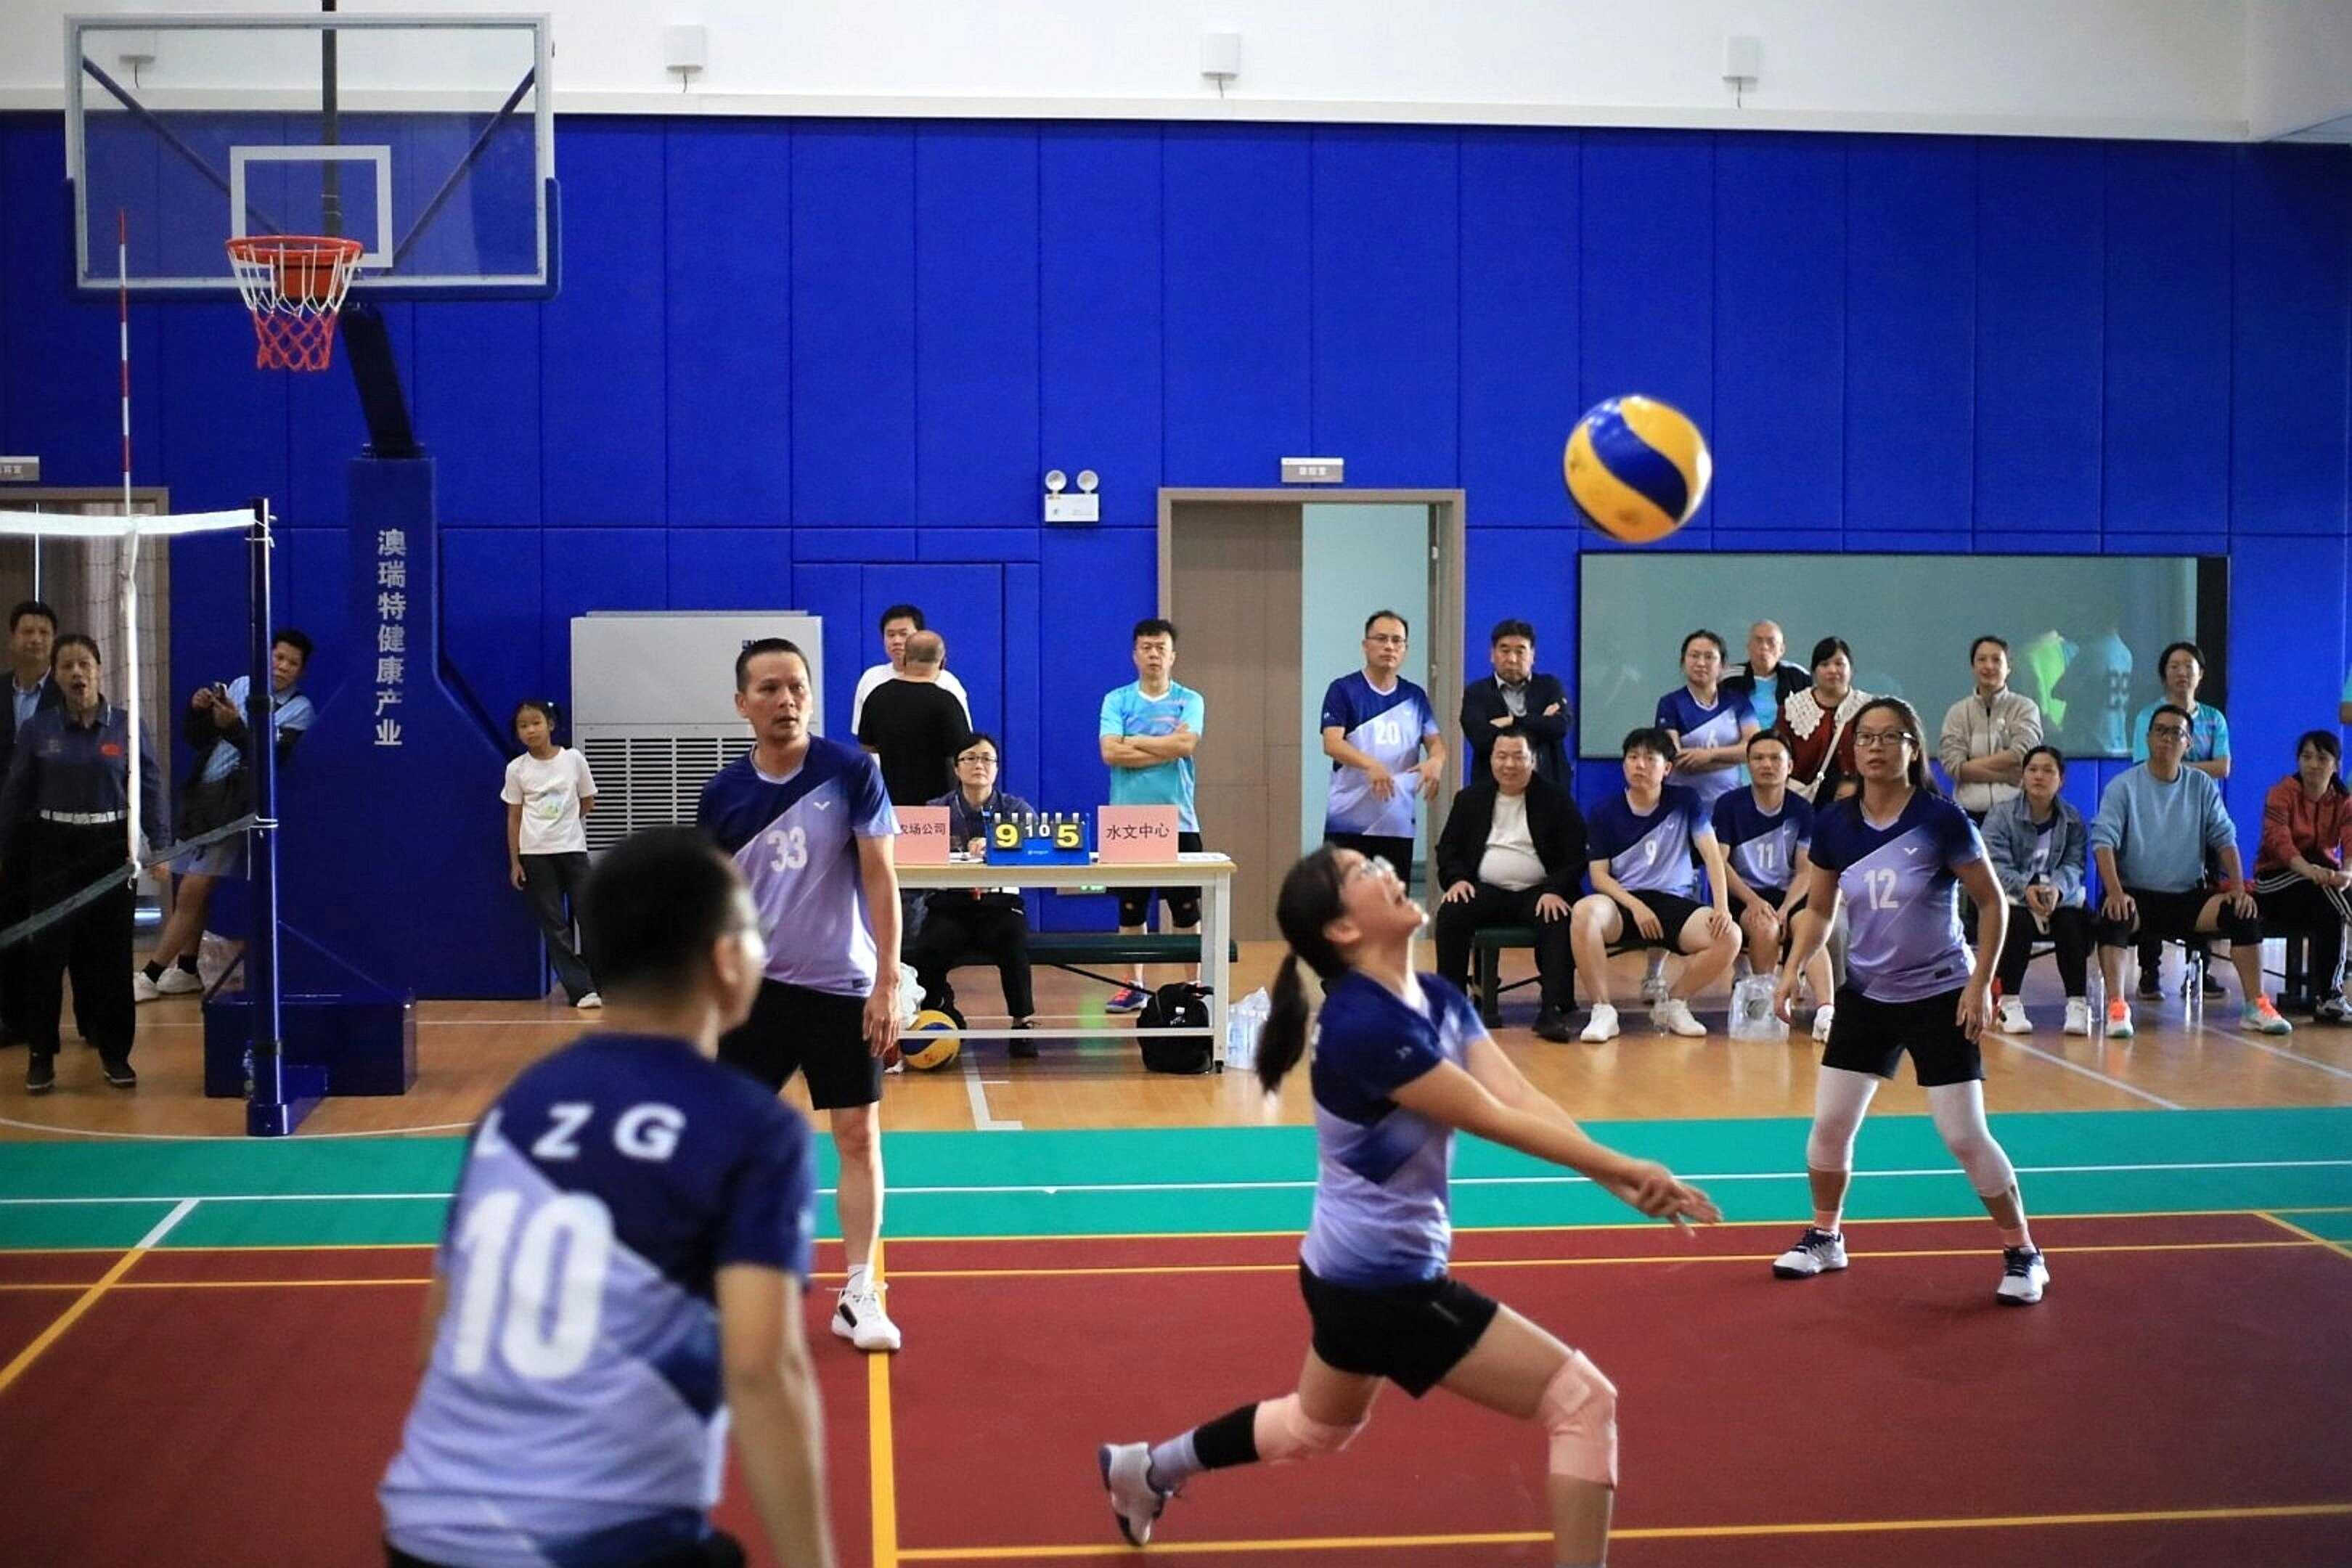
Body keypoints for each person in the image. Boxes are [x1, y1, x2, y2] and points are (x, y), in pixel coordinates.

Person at [1095, 845, 1719, 1564]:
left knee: (1315, 1427)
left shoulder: (1436, 999)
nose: (1389, 870)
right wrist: (1621, 1167)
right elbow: (1489, 1116)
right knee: (1583, 1403)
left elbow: (1521, 1096)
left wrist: (1612, 1177)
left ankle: (1144, 1470)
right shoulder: (1364, 1029)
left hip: (1338, 1274)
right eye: (1364, 873)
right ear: (1341, 929)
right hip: (1384, 1287)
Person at [379, 828, 836, 1568]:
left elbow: (438, 1335)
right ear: (728, 959)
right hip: (605, 1544)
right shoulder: (751, 1128)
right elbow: (764, 1370)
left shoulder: (517, 1106)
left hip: (422, 1529)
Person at [1767, 698, 2049, 1304]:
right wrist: (1790, 971)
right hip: (1867, 994)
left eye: (1890, 737)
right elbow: (1820, 910)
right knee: (1829, 1128)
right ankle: (1826, 1237)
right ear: (1853, 750)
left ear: (1912, 748)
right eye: (1866, 737)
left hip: (1941, 994)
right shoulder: (1834, 825)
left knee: (1964, 1135)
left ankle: (2023, 1252)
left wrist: (1980, 984)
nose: (1876, 747)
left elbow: (1992, 904)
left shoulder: (1941, 820)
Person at [698, 637, 905, 1353]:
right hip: (754, 992)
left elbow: (880, 876)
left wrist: (888, 980)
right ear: (742, 704)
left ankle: (859, 1291)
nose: (786, 701)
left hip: (842, 986)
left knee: (857, 1135)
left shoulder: (851, 771)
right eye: (769, 689)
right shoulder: (723, 793)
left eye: (797, 687)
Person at [0, 634, 164, 1094]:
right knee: (46, 955)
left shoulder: (125, 726)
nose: (77, 673)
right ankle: (41, 1056)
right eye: (68, 666)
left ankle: (116, 1054)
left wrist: (160, 847)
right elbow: (15, 794)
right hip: (53, 848)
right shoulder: (38, 729)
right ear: (56, 676)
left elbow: (150, 785)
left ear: (99, 670)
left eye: (85, 664)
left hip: (110, 848)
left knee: (111, 957)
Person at [134, 628, 316, 1000]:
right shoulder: (241, 685)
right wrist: (198, 711)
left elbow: (270, 758)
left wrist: (234, 726)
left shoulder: (301, 711)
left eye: (292, 663)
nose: (282, 666)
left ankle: (150, 974)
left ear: (301, 671)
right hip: (203, 798)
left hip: (237, 809)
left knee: (194, 888)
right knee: (193, 888)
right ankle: (187, 968)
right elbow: (198, 738)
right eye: (278, 657)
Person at [2090, 704, 2288, 1038]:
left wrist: (2238, 889)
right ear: (2149, 738)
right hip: (2137, 896)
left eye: (2176, 733)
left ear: (2188, 742)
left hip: (2189, 898)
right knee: (2113, 915)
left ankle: (2255, 1005)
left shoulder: (2202, 785)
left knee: (2243, 912)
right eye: (2161, 731)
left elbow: (2225, 838)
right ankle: (2117, 1007)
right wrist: (2115, 891)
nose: (2168, 738)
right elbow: (2103, 840)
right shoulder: (2123, 786)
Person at [1568, 728, 1741, 1042]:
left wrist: (1722, 908)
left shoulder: (1685, 801)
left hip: (1673, 901)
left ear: (1667, 768)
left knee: (1729, 936)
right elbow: (1599, 877)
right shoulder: (1604, 811)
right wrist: (1636, 906)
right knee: (1584, 912)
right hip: (1625, 903)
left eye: (1650, 759)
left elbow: (1712, 855)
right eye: (1633, 757)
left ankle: (1675, 1002)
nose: (1640, 765)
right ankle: (1603, 1010)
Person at [1432, 732, 1586, 1042]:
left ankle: (1553, 1009)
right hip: (1485, 888)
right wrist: (1457, 879)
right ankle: (1451, 1004)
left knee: (1557, 917)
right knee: (1451, 912)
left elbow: (1576, 854)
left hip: (1539, 891)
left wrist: (1555, 889)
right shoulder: (1470, 799)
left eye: (1518, 756)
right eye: (1501, 756)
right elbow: (1448, 850)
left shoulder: (1556, 799)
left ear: (1533, 760)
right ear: (1491, 760)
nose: (1509, 764)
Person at [1098, 618, 1206, 1011]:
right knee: (1131, 909)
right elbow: (1110, 752)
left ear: (1173, 655)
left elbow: (1185, 745)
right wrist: (1165, 745)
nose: (1154, 654)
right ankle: (1133, 986)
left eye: (1161, 648)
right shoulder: (1117, 700)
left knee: (1186, 910)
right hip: (1128, 822)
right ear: (1135, 655)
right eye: (1146, 647)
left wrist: (1136, 741)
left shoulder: (1189, 700)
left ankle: (1193, 985)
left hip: (1178, 819)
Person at [907, 733, 1039, 1053]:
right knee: (928, 946)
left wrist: (995, 844)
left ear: (997, 768)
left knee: (1014, 942)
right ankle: (941, 1009)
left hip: (999, 904)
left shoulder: (1016, 809)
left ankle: (1022, 1023)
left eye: (987, 759)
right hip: (951, 904)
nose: (979, 765)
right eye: (970, 758)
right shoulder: (935, 810)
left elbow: (1038, 845)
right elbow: (914, 855)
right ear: (957, 768)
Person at [1712, 731, 1836, 1042]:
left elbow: (1806, 870)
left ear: (1789, 766)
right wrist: (1753, 901)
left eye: (1775, 758)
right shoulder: (1729, 805)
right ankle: (1766, 1003)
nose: (1767, 764)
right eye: (1758, 758)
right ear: (1748, 765)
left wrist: (1786, 908)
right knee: (1764, 926)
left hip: (1787, 894)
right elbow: (1720, 863)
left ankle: (1826, 1011)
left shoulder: (1802, 810)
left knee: (1809, 925)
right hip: (1743, 893)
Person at [2128, 641, 2230, 1001]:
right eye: (2174, 666)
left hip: (2201, 815)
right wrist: (2182, 767)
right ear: (2164, 675)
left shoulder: (2214, 719)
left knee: (2203, 890)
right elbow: (2143, 765)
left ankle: (2199, 970)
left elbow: (2223, 766)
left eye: (2189, 666)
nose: (2182, 673)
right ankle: (2150, 971)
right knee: (2150, 885)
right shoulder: (2148, 716)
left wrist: (2176, 767)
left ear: (2201, 675)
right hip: (2155, 814)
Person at [1320, 611, 1445, 888]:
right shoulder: (1343, 690)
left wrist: (1436, 761)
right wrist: (1371, 765)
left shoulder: (1415, 696)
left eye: (1397, 641)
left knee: (1392, 901)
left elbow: (1436, 743)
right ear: (1366, 645)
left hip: (1397, 823)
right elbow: (1332, 743)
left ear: (1405, 649)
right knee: (1344, 902)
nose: (1389, 646)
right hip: (1348, 822)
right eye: (1381, 639)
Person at [1982, 746, 2094, 1036]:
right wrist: (2025, 889)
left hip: (2055, 897)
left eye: (2047, 771)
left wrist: (2056, 889)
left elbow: (2074, 865)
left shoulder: (2072, 820)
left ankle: (2077, 1004)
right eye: (2032, 770)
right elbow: (1995, 866)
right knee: (2015, 920)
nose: (2039, 777)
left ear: (2061, 779)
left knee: (2072, 920)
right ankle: (2009, 1002)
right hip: (2014, 895)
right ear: (2023, 776)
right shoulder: (2001, 815)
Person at [501, 698, 600, 1010]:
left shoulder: (573, 759)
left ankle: (602, 980)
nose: (530, 730)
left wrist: (565, 822)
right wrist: (515, 861)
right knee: (554, 925)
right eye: (523, 726)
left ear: (550, 725)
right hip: (535, 854)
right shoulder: (516, 769)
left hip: (572, 849)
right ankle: (581, 989)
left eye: (536, 723)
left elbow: (588, 801)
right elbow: (514, 817)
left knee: (591, 915)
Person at [2253, 731, 2351, 1024]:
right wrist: (2311, 871)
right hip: (2276, 880)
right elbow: (2279, 844)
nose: (2313, 764)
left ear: (2336, 765)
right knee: (2329, 894)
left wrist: (2347, 873)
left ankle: (2328, 999)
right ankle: (2332, 995)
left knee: (2332, 905)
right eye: (2307, 757)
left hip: (2321, 884)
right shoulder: (2281, 793)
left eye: (2322, 758)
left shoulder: (2343, 801)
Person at [0, 600, 61, 1048]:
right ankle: (12, 1018)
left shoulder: (69, 691)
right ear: (13, 638)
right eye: (28, 631)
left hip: (54, 828)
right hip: (6, 830)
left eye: (43, 632)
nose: (36, 640)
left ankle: (57, 1022)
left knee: (55, 931)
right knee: (9, 923)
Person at [1936, 635, 2043, 822]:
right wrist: (2006, 776)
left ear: (2009, 667)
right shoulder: (1957, 712)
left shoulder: (2025, 708)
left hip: (2016, 814)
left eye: (1996, 660)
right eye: (1982, 659)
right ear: (1973, 667)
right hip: (1969, 814)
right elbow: (1954, 766)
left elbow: (2022, 753)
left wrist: (1970, 766)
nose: (1988, 666)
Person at [1460, 618, 1570, 788]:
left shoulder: (1549, 686)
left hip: (1547, 788)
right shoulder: (1477, 693)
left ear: (1532, 655)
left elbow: (1559, 727)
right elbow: (1481, 739)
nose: (1512, 659)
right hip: (1493, 790)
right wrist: (1540, 722)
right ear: (1492, 654)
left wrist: (1512, 721)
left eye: (1520, 652)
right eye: (1505, 651)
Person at [1654, 629, 1757, 813]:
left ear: (1722, 666)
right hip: (1684, 807)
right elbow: (1679, 760)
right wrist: (1733, 759)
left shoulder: (1738, 702)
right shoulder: (1670, 703)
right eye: (1694, 656)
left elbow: (1754, 749)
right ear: (1683, 662)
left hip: (1730, 804)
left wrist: (1708, 756)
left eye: (1709, 657)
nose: (1701, 663)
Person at [849, 603, 971, 735]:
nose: (896, 641)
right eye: (890, 635)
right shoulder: (871, 678)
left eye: (903, 634)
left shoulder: (947, 683)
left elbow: (963, 737)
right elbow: (863, 735)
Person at [1774, 637, 1870, 801]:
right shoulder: (1792, 708)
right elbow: (1779, 755)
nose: (1832, 670)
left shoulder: (1869, 708)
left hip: (1858, 798)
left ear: (1851, 669)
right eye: (1825, 664)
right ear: (1813, 671)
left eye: (1839, 664)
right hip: (1805, 800)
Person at [1723, 620, 1810, 740]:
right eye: (1758, 641)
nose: (1764, 647)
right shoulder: (1730, 678)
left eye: (1771, 642)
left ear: (1782, 650)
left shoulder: (1797, 677)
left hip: (1786, 747)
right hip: (1741, 748)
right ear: (1748, 647)